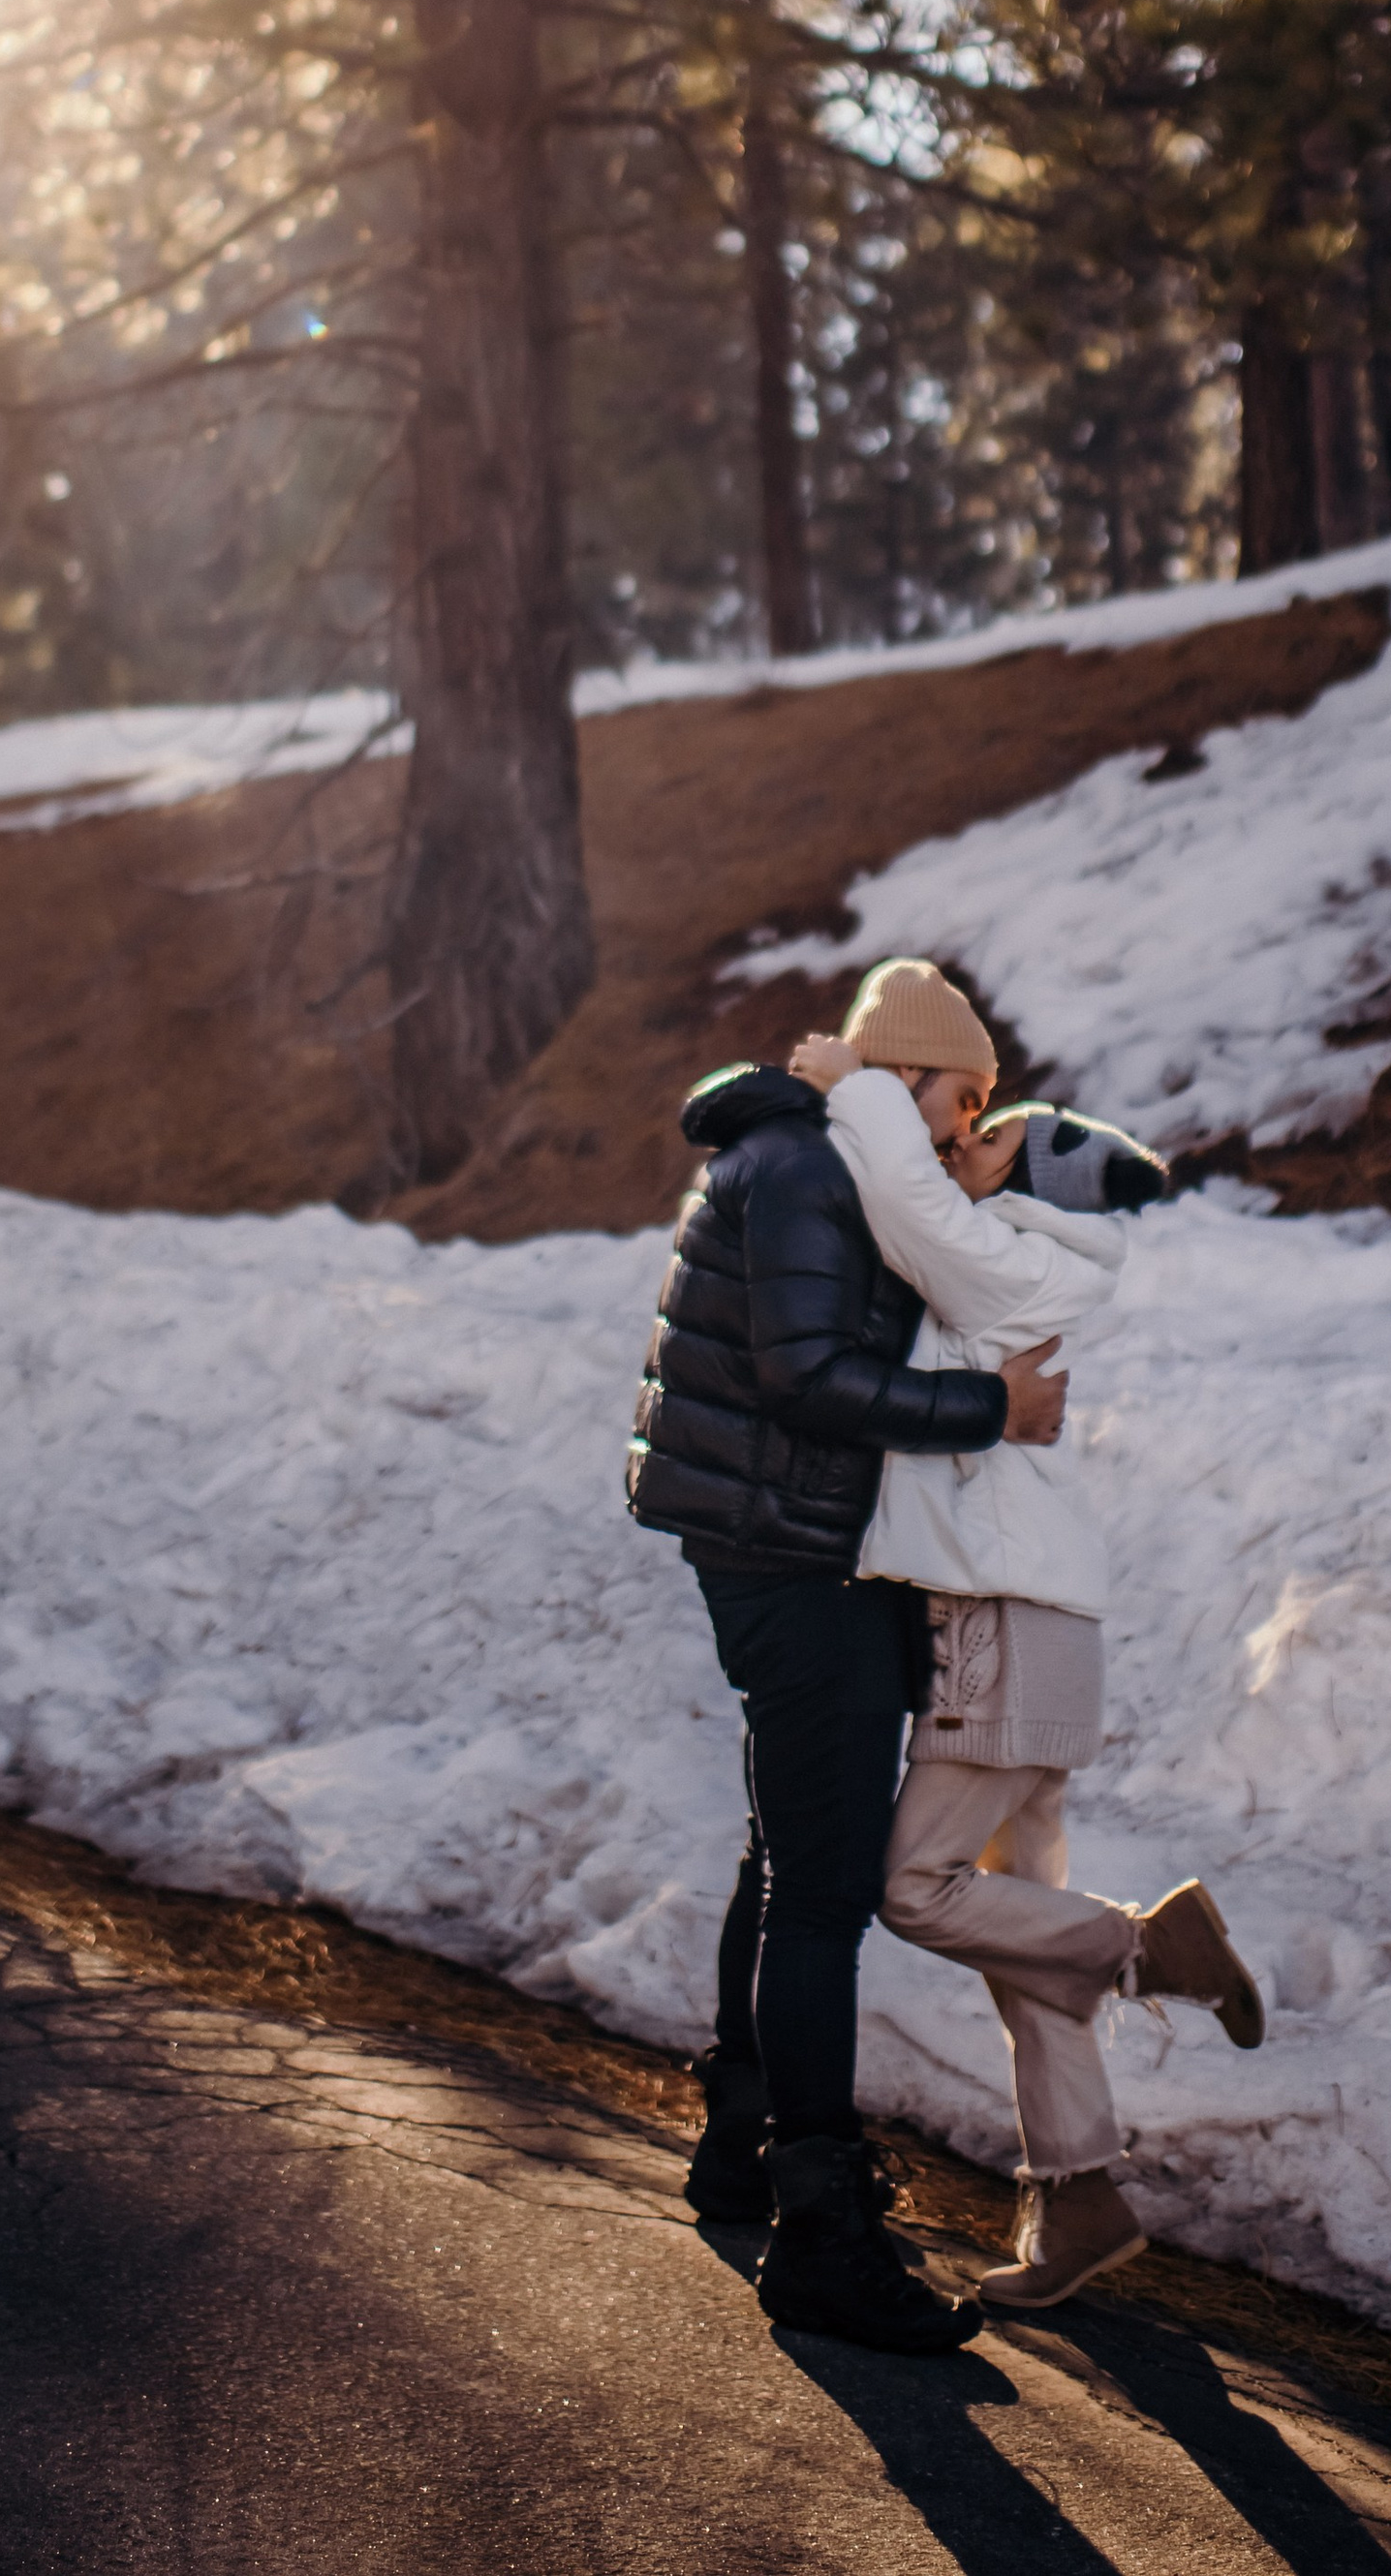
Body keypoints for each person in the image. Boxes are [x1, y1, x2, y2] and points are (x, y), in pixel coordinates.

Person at [787, 1006, 1266, 2315]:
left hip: (1002, 1621)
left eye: (988, 1121)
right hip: (1024, 1623)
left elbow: (902, 1192)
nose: (969, 1137)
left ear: (1032, 1166)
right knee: (1023, 1946)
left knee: (920, 1891)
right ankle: (1081, 2198)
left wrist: (855, 1084)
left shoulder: (1019, 1262)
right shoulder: (1009, 1255)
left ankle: (1153, 1950)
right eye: (963, 1109)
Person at [625, 958, 1068, 2353]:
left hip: (803, 1546)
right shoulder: (809, 1167)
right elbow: (805, 1375)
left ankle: (744, 2147)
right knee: (822, 1892)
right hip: (792, 1555)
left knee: (787, 1854)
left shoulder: (827, 1155)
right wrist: (990, 1406)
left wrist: (971, 1200)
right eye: (959, 1096)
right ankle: (820, 2237)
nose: (963, 1125)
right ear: (906, 1074)